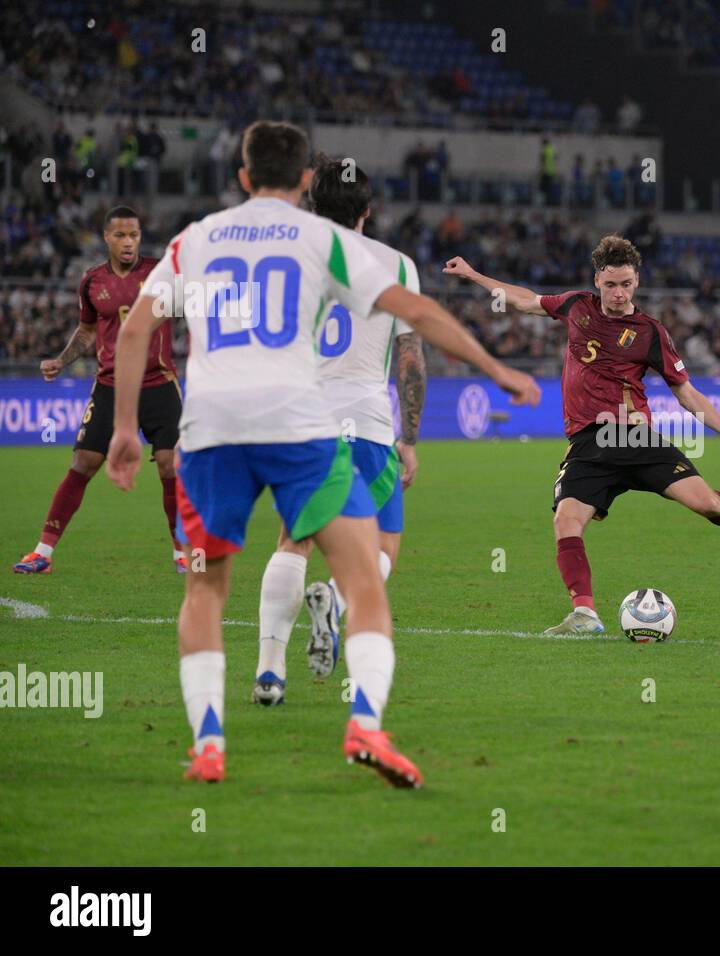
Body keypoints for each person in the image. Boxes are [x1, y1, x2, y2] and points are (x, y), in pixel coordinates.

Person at [105, 120, 540, 787]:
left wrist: (126, 429)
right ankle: (365, 723)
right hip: (298, 422)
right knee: (363, 577)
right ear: (305, 179)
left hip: (211, 426)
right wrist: (495, 368)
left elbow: (136, 329)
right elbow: (416, 316)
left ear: (244, 176)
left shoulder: (196, 239)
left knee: (205, 586)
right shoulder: (325, 241)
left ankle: (210, 745)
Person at [442, 235, 720, 635]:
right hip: (590, 443)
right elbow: (524, 299)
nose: (618, 292)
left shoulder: (650, 332)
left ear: (637, 282)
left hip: (634, 439)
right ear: (597, 280)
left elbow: (687, 393)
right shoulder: (576, 306)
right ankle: (585, 615)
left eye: (626, 284)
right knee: (567, 520)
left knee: (709, 505)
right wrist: (472, 274)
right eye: (611, 284)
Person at [251, 156, 428, 706]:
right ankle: (333, 597)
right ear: (368, 211)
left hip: (301, 424)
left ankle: (269, 671)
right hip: (369, 427)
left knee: (293, 539)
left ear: (310, 205)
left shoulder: (287, 263)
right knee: (384, 546)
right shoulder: (397, 266)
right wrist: (409, 439)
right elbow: (411, 359)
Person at [14, 207, 183, 574]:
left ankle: (181, 551)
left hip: (158, 383)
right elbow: (87, 330)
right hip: (110, 384)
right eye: (121, 235)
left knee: (171, 464)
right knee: (83, 462)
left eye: (134, 235)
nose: (128, 242)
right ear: (107, 237)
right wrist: (62, 359)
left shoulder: (161, 274)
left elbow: (194, 307)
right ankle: (42, 552)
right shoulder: (91, 282)